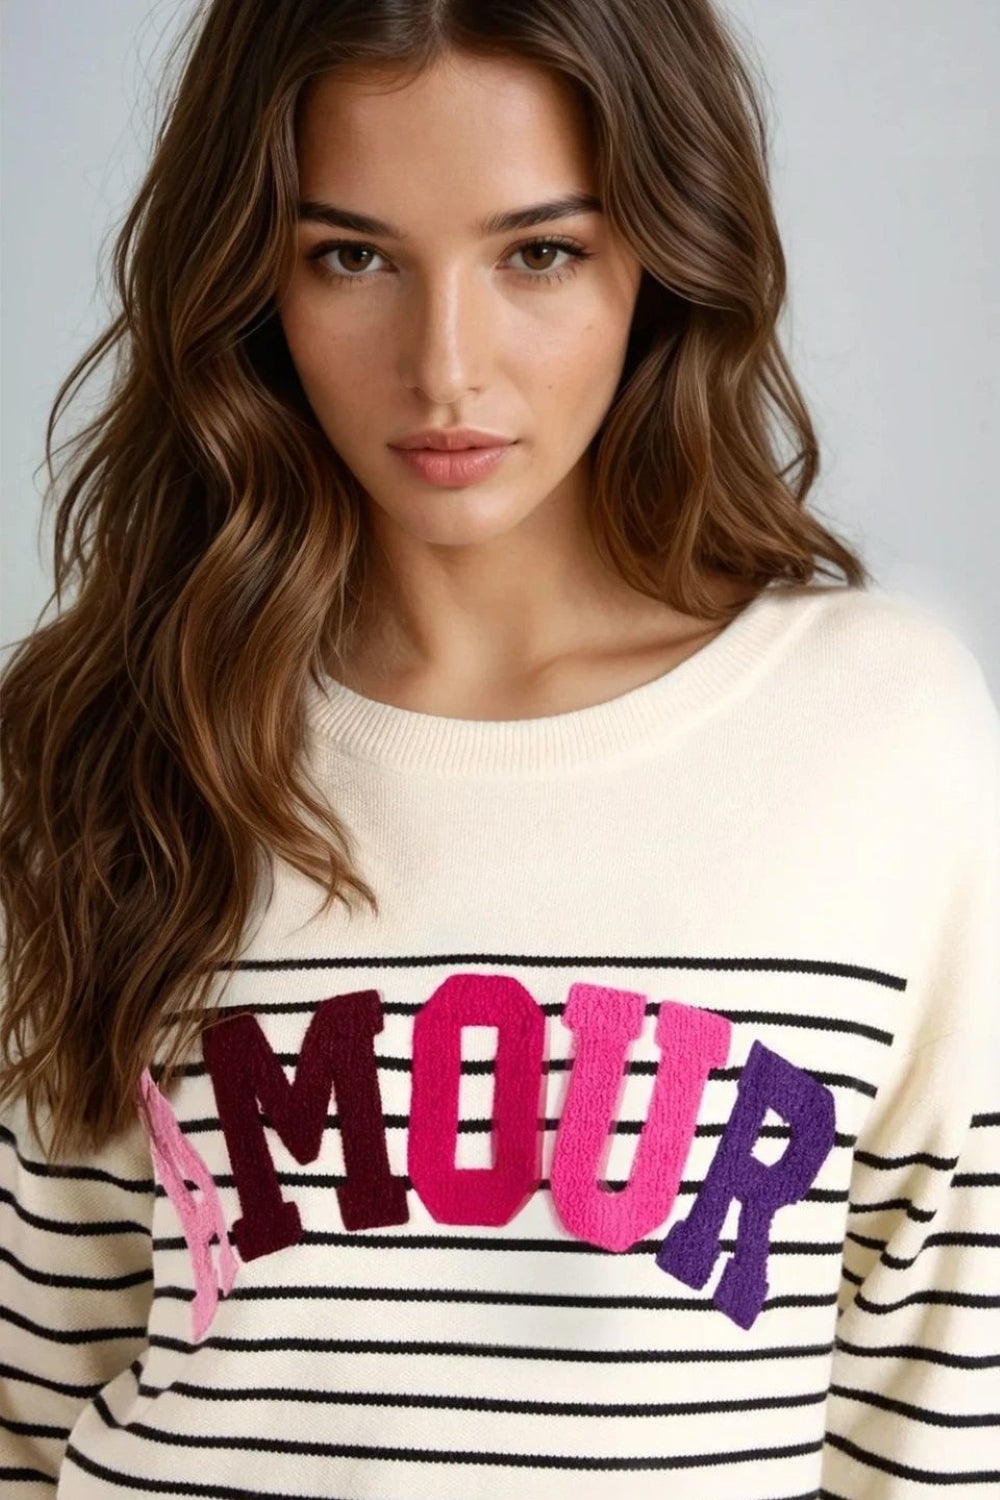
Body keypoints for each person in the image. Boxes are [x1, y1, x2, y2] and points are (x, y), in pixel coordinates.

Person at [2, 1, 998, 1496]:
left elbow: (939, 1395)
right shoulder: (112, 739)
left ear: (661, 250)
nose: (445, 367)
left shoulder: (881, 733)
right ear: (254, 277)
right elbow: (35, 1387)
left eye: (538, 253)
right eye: (353, 257)